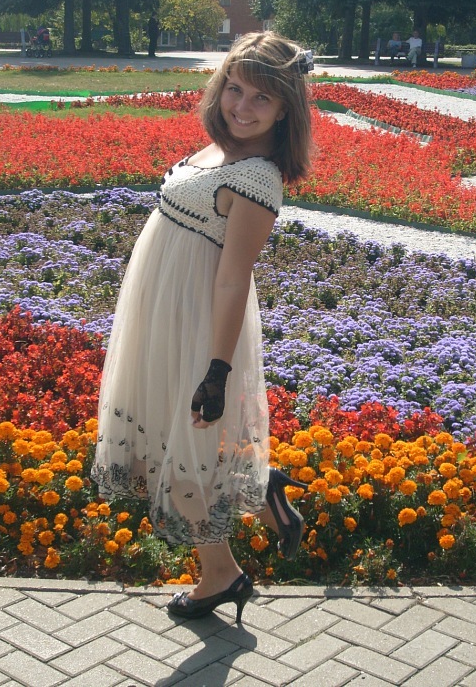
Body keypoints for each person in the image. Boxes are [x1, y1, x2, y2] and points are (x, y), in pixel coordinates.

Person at [92, 32, 313, 624]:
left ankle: (222, 570)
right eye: (235, 89)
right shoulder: (220, 151)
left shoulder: (258, 179)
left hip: (193, 324)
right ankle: (254, 507)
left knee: (179, 450)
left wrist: (216, 372)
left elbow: (232, 281)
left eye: (261, 98)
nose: (242, 106)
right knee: (167, 446)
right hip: (160, 312)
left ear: (285, 109)